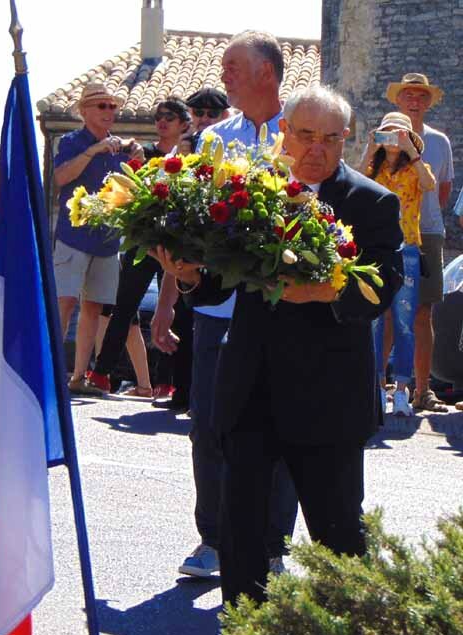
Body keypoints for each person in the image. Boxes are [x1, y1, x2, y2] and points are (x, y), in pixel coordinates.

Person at [153, 84, 404, 605]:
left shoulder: (373, 202)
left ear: (346, 139)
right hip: (252, 387)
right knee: (241, 537)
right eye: (306, 135)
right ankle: (244, 623)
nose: (317, 148)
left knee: (339, 543)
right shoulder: (247, 194)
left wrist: (324, 292)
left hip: (328, 398)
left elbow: (381, 286)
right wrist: (188, 273)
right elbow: (217, 283)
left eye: (330, 138)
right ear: (284, 134)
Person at [151, 30, 298, 580]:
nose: (224, 75)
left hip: (284, 310)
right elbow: (189, 238)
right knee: (208, 426)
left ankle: (272, 547)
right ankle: (213, 539)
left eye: (233, 66)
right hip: (216, 312)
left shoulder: (303, 134)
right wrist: (170, 299)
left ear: (267, 71)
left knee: (280, 427)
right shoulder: (214, 141)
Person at [85, 98, 193, 408]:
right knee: (124, 305)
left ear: (183, 123)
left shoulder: (188, 157)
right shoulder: (143, 154)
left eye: (169, 117)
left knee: (175, 310)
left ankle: (165, 381)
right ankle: (102, 373)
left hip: (172, 242)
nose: (162, 122)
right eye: (159, 116)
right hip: (142, 241)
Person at [53, 82, 142, 394]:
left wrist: (139, 162)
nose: (109, 111)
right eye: (102, 106)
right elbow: (60, 178)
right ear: (84, 111)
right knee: (64, 303)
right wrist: (92, 151)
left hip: (107, 241)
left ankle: (79, 376)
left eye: (112, 106)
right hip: (73, 236)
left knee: (93, 307)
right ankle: (50, 371)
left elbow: (133, 191)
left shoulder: (121, 146)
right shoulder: (72, 141)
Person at [358, 112, 435, 416]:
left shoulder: (416, 169)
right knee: (375, 320)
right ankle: (377, 388)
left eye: (398, 133)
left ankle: (402, 390)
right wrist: (369, 146)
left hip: (407, 251)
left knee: (404, 322)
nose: (392, 138)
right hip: (376, 250)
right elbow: (354, 184)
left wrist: (411, 151)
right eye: (387, 133)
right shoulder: (372, 169)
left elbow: (429, 185)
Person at [386, 73, 454, 412]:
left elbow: (442, 193)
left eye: (421, 96)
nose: (415, 101)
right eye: (409, 95)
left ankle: (422, 389)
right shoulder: (383, 140)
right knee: (383, 309)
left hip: (426, 231)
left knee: (423, 312)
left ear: (428, 103)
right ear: (399, 101)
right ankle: (377, 385)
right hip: (387, 231)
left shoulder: (440, 142)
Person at [181, 88, 230, 153]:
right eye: (198, 112)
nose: (204, 119)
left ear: (224, 115)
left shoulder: (231, 143)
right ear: (191, 113)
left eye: (212, 114)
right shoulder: (185, 141)